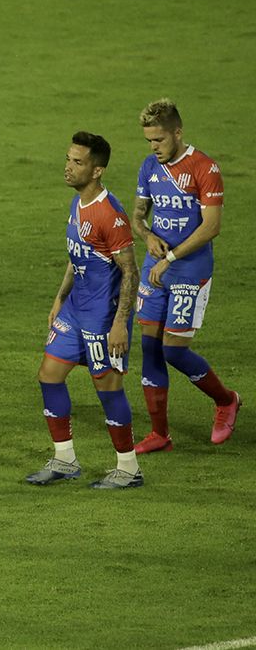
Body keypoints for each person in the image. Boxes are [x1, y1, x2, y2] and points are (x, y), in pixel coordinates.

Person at [26, 132, 143, 489]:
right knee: (49, 375)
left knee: (107, 389)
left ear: (97, 171)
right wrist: (60, 297)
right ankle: (65, 460)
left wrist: (120, 324)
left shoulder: (111, 215)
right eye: (68, 159)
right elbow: (77, 255)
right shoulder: (79, 203)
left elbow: (131, 271)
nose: (68, 167)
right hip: (75, 310)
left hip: (102, 317)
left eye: (77, 162)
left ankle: (129, 468)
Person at [131, 99, 240, 452]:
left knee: (174, 350)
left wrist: (173, 256)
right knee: (149, 347)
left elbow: (211, 227)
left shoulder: (204, 168)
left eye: (159, 140)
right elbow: (138, 217)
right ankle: (160, 434)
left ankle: (226, 401)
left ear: (178, 132)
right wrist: (148, 237)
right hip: (156, 268)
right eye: (149, 141)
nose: (154, 148)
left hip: (190, 270)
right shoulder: (149, 167)